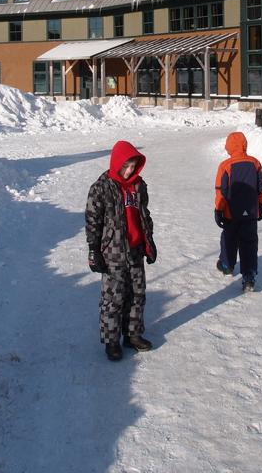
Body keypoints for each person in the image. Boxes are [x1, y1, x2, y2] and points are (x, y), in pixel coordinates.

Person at [85, 140, 157, 361]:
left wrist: (149, 242)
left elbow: (144, 216)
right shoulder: (101, 187)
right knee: (113, 299)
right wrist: (93, 250)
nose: (129, 171)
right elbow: (92, 221)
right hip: (112, 253)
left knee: (137, 294)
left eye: (133, 166)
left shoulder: (138, 185)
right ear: (116, 163)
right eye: (125, 166)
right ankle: (111, 341)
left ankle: (132, 334)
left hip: (135, 250)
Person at [214, 131, 262, 292]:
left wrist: (218, 209)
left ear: (229, 147)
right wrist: (261, 205)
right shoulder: (255, 163)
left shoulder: (225, 166)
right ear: (245, 145)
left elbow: (220, 191)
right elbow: (261, 188)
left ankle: (226, 265)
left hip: (231, 213)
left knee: (229, 239)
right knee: (249, 243)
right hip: (250, 213)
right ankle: (249, 276)